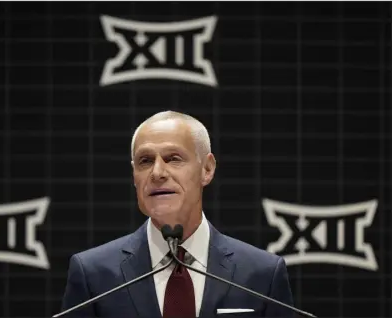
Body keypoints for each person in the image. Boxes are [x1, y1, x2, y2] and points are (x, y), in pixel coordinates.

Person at [60, 111, 294, 318]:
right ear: (134, 175)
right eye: (145, 161)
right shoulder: (93, 274)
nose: (157, 172)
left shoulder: (262, 275)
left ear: (207, 169)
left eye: (173, 158)